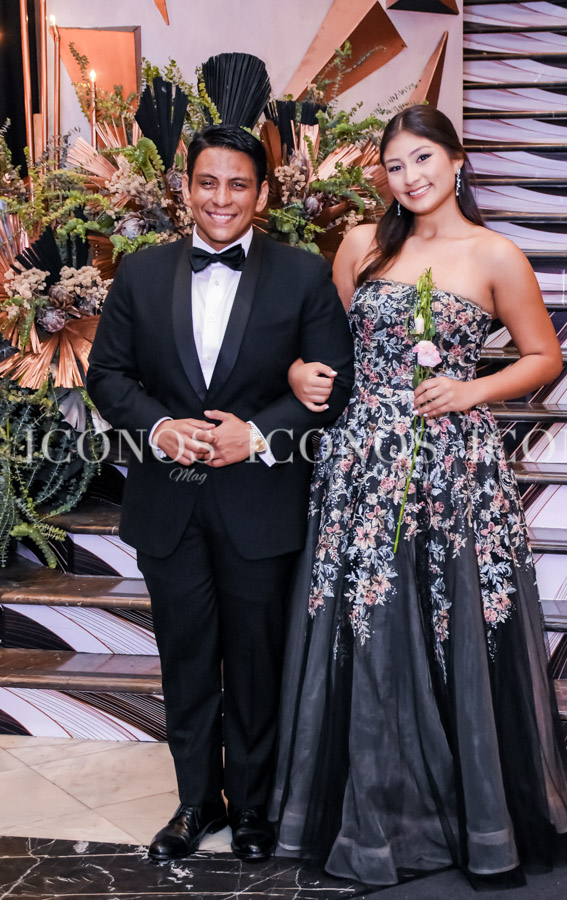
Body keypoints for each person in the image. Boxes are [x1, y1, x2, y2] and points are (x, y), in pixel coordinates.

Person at [271, 105, 567, 889]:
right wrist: (298, 373)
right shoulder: (360, 247)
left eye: (422, 159)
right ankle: (374, 815)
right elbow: (326, 350)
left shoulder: (495, 254)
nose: (409, 177)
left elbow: (543, 356)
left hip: (454, 469)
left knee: (452, 630)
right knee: (370, 631)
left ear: (456, 160)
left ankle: (470, 815)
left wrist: (471, 388)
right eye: (394, 165)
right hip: (362, 469)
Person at [86, 124, 354, 863]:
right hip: (167, 506)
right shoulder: (140, 272)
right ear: (186, 188)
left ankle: (256, 807)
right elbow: (106, 375)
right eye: (208, 182)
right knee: (187, 660)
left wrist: (259, 434)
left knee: (258, 662)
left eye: (239, 184)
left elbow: (336, 382)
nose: (222, 198)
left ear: (262, 194)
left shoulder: (303, 273)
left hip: (260, 504)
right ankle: (196, 802)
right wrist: (159, 426)